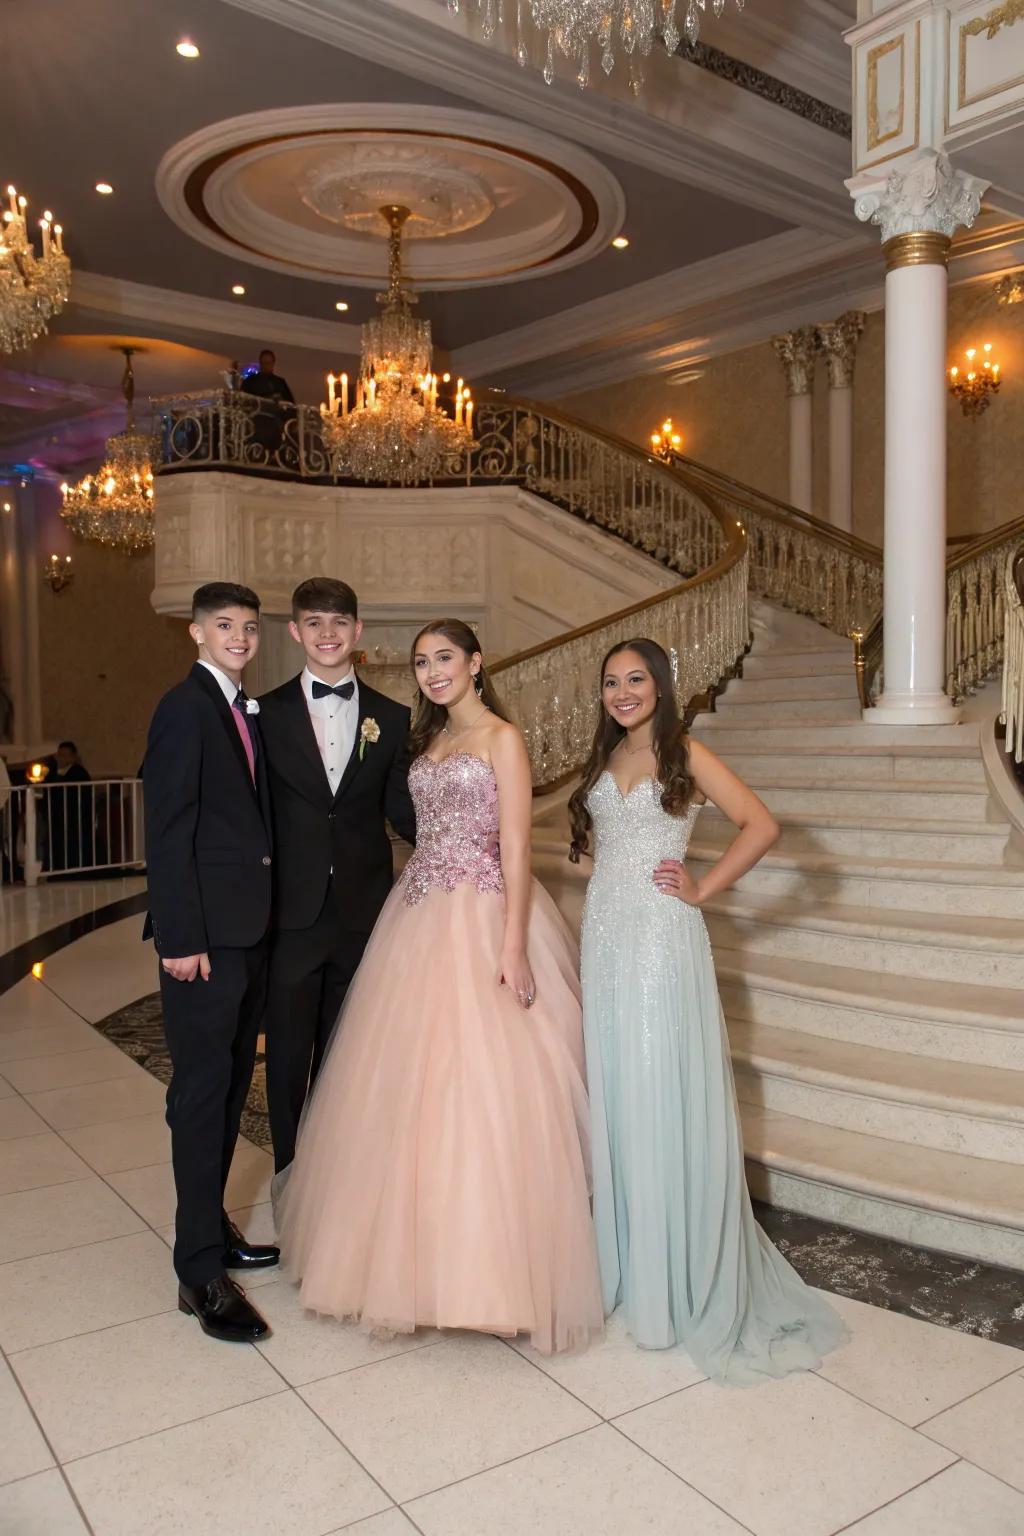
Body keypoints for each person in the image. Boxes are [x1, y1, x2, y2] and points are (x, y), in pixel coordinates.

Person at [275, 619, 603, 1354]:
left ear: (477, 662)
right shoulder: (429, 743)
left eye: (444, 658)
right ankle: (405, 1264)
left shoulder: (501, 740)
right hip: (418, 912)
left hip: (483, 915)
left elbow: (516, 846)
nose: (430, 672)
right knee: (403, 1088)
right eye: (421, 662)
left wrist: (513, 942)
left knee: (482, 1085)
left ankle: (487, 1277)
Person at [570, 637, 847, 1384]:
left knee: (659, 1093)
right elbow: (615, 842)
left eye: (635, 680)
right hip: (607, 936)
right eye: (610, 682)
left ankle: (673, 1284)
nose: (622, 692)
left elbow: (761, 824)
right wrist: (612, 882)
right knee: (620, 1090)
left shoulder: (685, 751)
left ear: (660, 686)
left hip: (662, 939)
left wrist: (702, 886)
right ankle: (628, 1268)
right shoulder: (602, 757)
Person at [143, 582, 280, 1345]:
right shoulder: (184, 707)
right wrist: (180, 937)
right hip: (203, 944)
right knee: (200, 1097)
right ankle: (198, 1271)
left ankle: (213, 1227)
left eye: (249, 628)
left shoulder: (240, 709)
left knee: (227, 1092)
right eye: (224, 625)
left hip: (245, 934)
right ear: (197, 633)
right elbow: (167, 830)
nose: (239, 637)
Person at [259, 577, 416, 1173]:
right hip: (289, 913)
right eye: (314, 623)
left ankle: (339, 1178)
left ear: (358, 631)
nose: (328, 634)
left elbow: (402, 811)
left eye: (339, 623)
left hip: (362, 912)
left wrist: (463, 859)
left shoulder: (392, 717)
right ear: (296, 631)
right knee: (287, 1057)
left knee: (349, 1055)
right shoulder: (264, 714)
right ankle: (288, 1173)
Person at [47, 740, 93, 872]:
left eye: (65, 755)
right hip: (60, 818)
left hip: (74, 819)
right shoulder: (55, 771)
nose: (62, 759)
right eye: (60, 755)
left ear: (73, 757)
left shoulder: (78, 772)